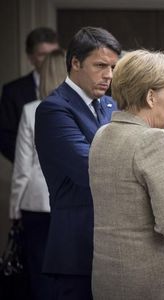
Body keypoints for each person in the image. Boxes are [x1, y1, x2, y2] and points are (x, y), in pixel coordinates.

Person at [89, 49, 164, 300]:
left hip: (110, 279)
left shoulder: (102, 134)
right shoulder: (151, 140)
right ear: (151, 97)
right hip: (157, 283)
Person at [34, 27, 121, 299]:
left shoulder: (110, 105)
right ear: (75, 63)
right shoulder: (54, 109)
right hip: (75, 248)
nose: (108, 75)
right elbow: (90, 170)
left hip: (112, 247)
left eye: (113, 67)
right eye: (100, 65)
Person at [9, 48, 66, 300]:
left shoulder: (31, 110)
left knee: (39, 269)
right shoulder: (81, 110)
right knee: (69, 271)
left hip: (36, 202)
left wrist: (14, 209)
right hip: (69, 200)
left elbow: (22, 167)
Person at [0, 27, 59, 162]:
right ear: (30, 58)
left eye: (53, 54)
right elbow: (5, 138)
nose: (49, 60)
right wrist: (29, 162)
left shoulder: (74, 87)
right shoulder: (13, 91)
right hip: (30, 173)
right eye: (43, 55)